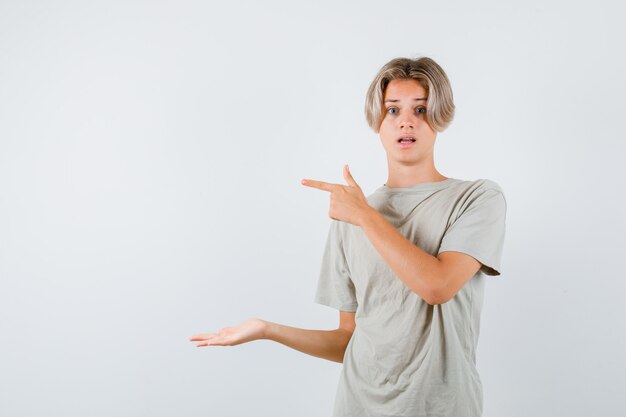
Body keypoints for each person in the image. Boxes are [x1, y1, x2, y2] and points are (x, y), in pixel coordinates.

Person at [190, 56, 506, 417]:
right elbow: (348, 340)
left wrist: (364, 215)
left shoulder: (477, 198)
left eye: (421, 109)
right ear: (377, 122)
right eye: (392, 110)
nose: (406, 120)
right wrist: (267, 329)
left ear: (441, 118)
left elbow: (438, 286)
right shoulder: (349, 216)